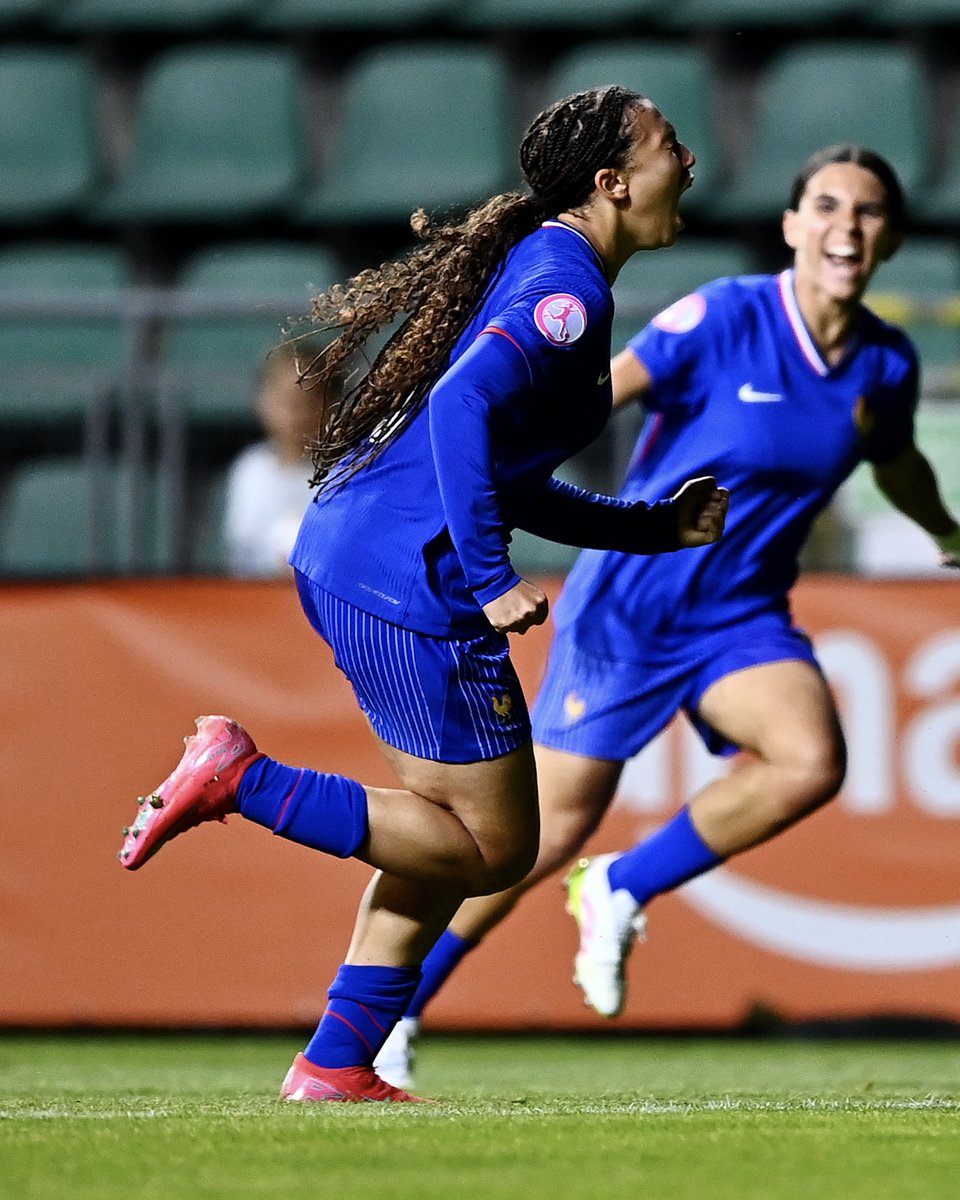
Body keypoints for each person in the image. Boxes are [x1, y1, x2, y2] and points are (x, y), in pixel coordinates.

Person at [117, 86, 727, 1103]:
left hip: (360, 556)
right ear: (614, 182)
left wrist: (645, 526)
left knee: (442, 841)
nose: (691, 160)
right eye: (672, 146)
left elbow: (507, 470)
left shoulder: (555, 267)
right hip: (413, 580)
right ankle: (240, 779)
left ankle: (336, 1062)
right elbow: (459, 408)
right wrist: (490, 579)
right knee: (494, 848)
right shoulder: (565, 291)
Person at [372, 143, 960, 1090]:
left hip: (741, 613)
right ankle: (393, 1009)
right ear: (793, 227)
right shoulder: (728, 317)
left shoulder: (884, 365)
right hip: (632, 605)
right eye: (827, 206)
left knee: (809, 761)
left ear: (889, 238)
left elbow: (895, 464)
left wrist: (944, 528)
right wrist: (470, 472)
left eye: (868, 212)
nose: (846, 226)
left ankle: (622, 886)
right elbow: (595, 391)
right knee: (542, 833)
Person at [222, 342, 330, 578]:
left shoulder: (341, 476)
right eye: (286, 400)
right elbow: (242, 552)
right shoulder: (250, 470)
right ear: (264, 401)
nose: (295, 413)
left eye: (308, 401)